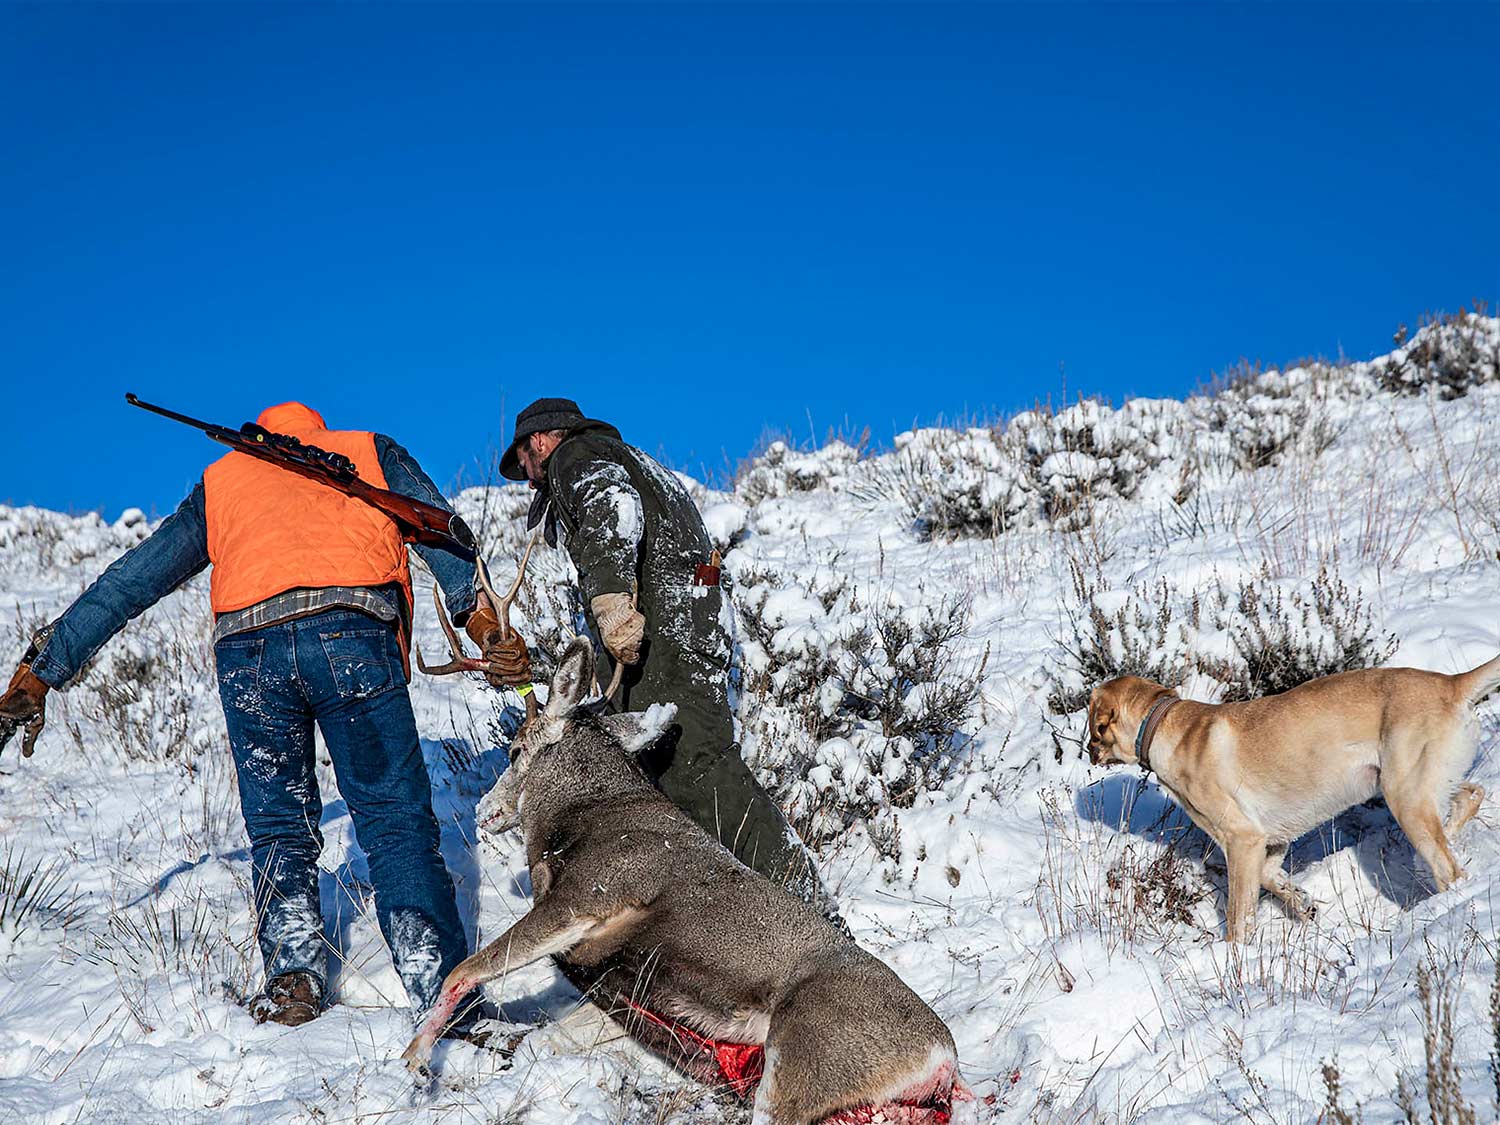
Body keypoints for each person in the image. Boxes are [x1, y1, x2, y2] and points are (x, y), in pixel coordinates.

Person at [0, 402, 526, 1033]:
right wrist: (482, 618)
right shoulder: (366, 449)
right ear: (317, 430)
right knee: (392, 820)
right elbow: (443, 532)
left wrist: (45, 668)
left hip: (250, 655)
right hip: (350, 635)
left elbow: (130, 582)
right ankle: (444, 997)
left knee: (279, 826)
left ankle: (292, 984)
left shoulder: (224, 479)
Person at [494, 397, 814, 896]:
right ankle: (735, 908)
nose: (532, 478)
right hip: (687, 626)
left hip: (664, 637)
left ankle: (802, 900)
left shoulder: (575, 457)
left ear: (538, 440)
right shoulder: (634, 461)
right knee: (675, 775)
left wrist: (611, 602)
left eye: (526, 464)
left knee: (697, 768)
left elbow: (610, 507)